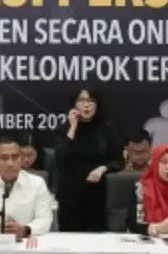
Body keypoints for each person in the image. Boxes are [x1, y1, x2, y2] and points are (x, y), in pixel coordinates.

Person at [54, 86, 123, 232]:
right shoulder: (64, 129)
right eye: (82, 100)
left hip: (97, 193)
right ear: (74, 104)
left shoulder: (106, 129)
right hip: (70, 193)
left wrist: (103, 168)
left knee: (95, 238)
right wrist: (72, 128)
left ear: (97, 105)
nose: (86, 105)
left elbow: (118, 160)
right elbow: (60, 159)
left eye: (91, 101)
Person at [0, 136, 52, 238]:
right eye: (4, 158)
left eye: (15, 157)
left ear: (21, 159)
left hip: (26, 241)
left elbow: (45, 220)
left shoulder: (37, 183)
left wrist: (25, 230)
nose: (10, 163)